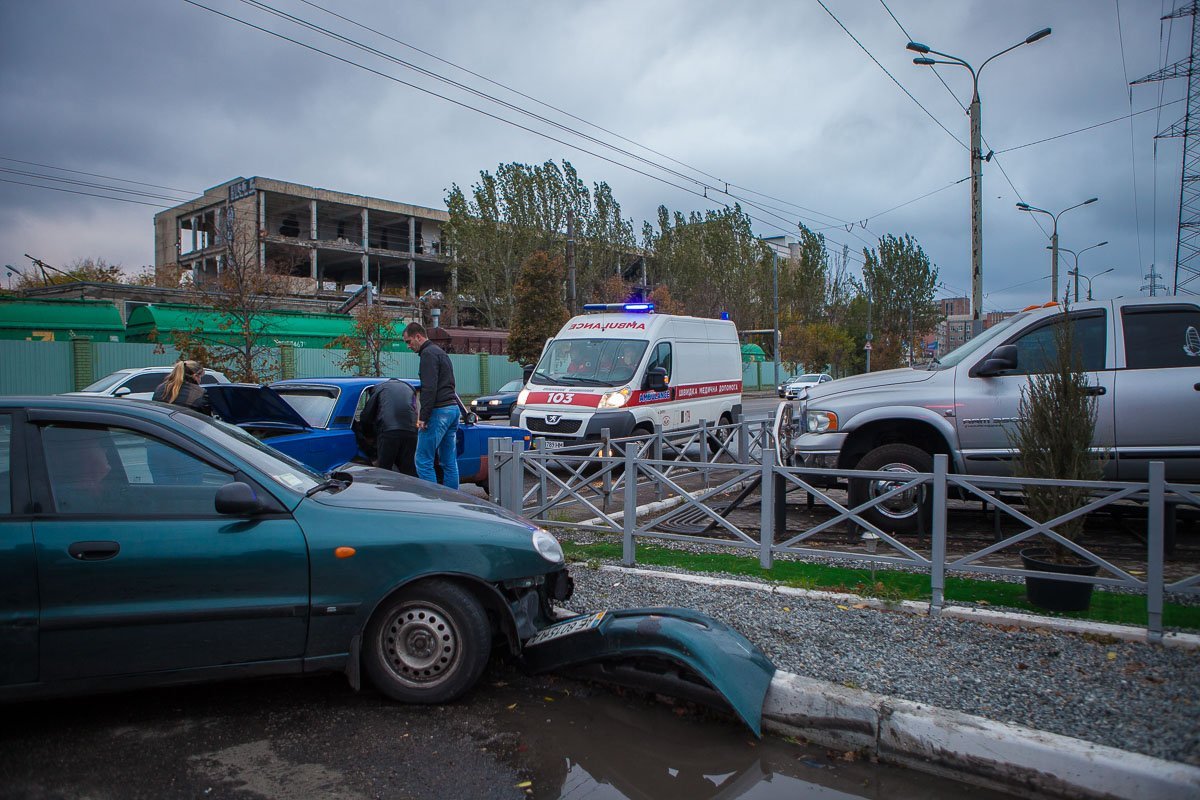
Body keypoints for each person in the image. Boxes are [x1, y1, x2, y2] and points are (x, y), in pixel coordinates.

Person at [403, 323, 460, 489]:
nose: (408, 346)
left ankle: (433, 503)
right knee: (449, 461)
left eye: (409, 341)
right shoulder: (440, 353)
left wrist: (423, 417)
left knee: (422, 460)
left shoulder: (427, 354)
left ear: (418, 337)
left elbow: (429, 388)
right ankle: (453, 500)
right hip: (453, 409)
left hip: (439, 411)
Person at [361, 378, 417, 476]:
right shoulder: (409, 388)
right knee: (408, 469)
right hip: (411, 431)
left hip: (388, 431)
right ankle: (409, 489)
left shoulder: (379, 389)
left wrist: (367, 434)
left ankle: (384, 489)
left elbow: (367, 415)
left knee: (385, 469)